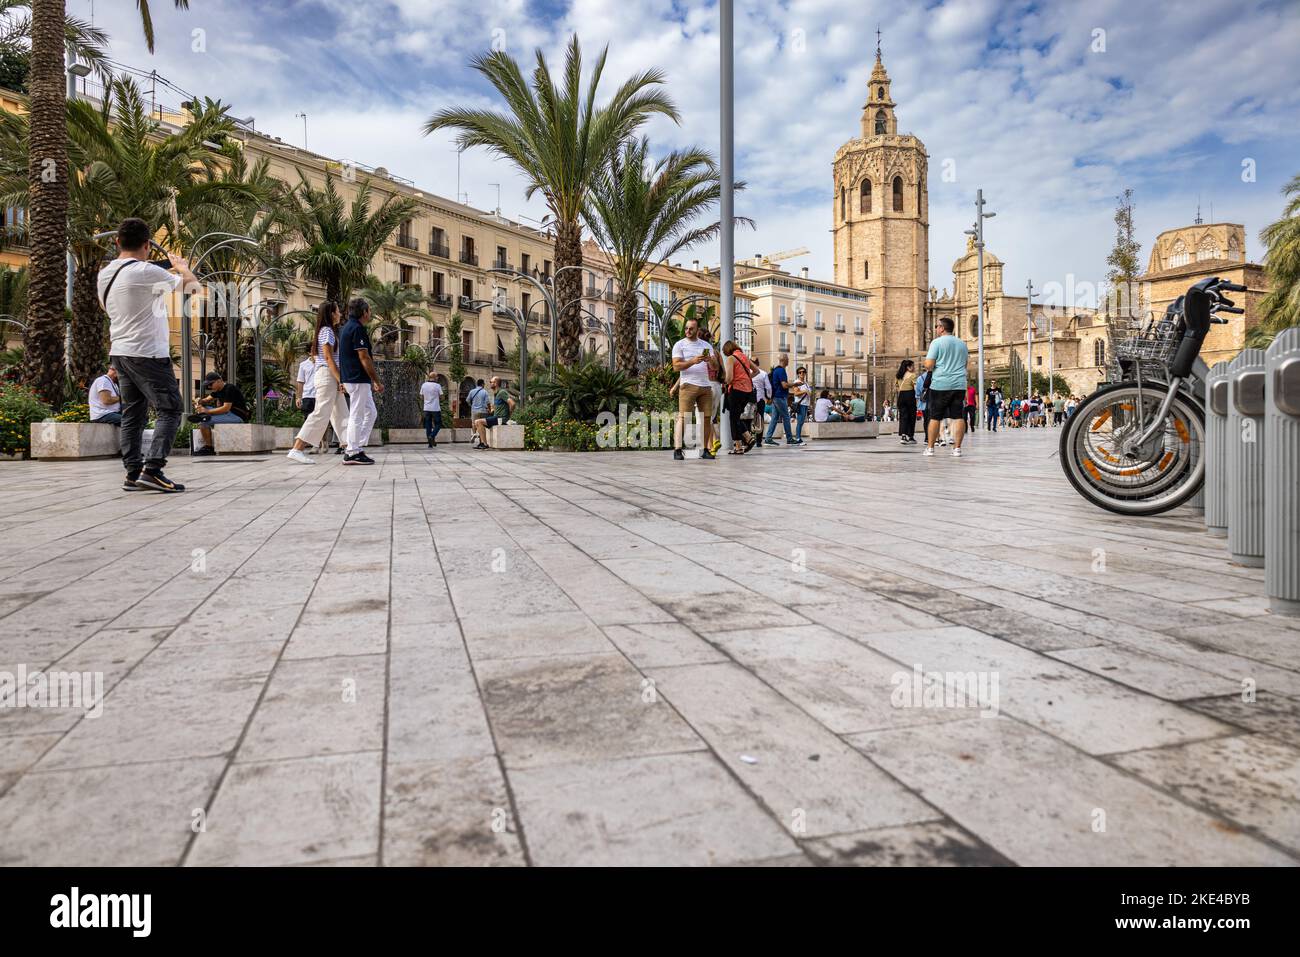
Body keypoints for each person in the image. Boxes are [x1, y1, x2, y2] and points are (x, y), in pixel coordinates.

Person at [98, 217, 196, 492]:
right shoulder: (145, 272)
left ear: (117, 242)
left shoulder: (105, 273)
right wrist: (182, 267)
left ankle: (132, 473)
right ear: (147, 245)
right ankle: (153, 469)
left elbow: (105, 306)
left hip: (120, 351)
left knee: (133, 414)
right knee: (170, 408)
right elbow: (192, 287)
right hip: (148, 353)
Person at [286, 301, 346, 464]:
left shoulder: (327, 331)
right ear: (332, 313)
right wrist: (341, 379)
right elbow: (327, 358)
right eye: (338, 311)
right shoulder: (327, 331)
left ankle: (351, 448)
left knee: (341, 412)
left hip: (329, 375)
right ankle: (297, 449)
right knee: (321, 412)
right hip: (327, 375)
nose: (340, 314)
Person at [337, 297, 384, 464]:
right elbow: (364, 357)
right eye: (369, 310)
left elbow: (343, 356)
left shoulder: (345, 328)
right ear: (364, 312)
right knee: (356, 415)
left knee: (371, 412)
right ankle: (352, 451)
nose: (370, 313)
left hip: (354, 378)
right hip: (357, 378)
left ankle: (356, 445)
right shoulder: (357, 329)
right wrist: (376, 380)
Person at [670, 317, 718, 460]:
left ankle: (705, 449)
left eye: (691, 328)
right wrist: (692, 361)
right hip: (688, 385)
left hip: (705, 386)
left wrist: (711, 360)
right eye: (686, 328)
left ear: (697, 330)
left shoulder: (706, 346)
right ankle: (678, 449)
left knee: (707, 418)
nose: (688, 331)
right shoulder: (680, 345)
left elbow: (715, 368)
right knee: (683, 417)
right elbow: (676, 366)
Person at [923, 316, 969, 457]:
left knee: (935, 417)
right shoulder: (962, 344)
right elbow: (965, 364)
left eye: (937, 326)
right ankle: (957, 449)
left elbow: (929, 365)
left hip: (941, 384)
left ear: (942, 328)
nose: (936, 328)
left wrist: (932, 365)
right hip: (959, 384)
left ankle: (930, 448)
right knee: (958, 416)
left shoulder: (936, 343)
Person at [190, 371, 250, 454]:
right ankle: (202, 415)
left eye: (211, 384)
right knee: (204, 410)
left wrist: (207, 411)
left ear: (219, 381)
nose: (209, 386)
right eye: (208, 385)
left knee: (204, 420)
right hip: (228, 414)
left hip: (237, 416)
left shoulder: (229, 388)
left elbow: (226, 408)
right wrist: (199, 402)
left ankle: (209, 447)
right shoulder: (217, 390)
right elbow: (206, 400)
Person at [721, 340, 759, 455]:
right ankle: (742, 442)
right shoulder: (744, 357)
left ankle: (744, 441)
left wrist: (722, 382)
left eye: (724, 351)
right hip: (747, 392)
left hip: (736, 390)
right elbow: (756, 371)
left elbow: (729, 378)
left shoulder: (731, 359)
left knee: (734, 418)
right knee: (736, 417)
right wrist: (746, 379)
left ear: (727, 349)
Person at [762, 353, 800, 446]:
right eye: (787, 359)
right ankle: (789, 438)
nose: (788, 361)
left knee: (774, 418)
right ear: (784, 360)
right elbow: (784, 385)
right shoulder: (781, 371)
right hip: (779, 397)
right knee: (786, 417)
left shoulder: (776, 370)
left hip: (775, 396)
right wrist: (795, 384)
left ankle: (768, 438)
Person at [472, 375, 514, 449]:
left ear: (496, 383)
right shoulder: (496, 394)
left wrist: (509, 416)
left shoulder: (502, 392)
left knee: (478, 422)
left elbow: (512, 403)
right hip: (496, 417)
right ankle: (482, 443)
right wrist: (492, 409)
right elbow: (499, 406)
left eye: (491, 382)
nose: (490, 383)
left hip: (500, 418)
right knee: (478, 422)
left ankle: (484, 444)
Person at [895, 359, 918, 445]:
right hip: (910, 395)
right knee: (912, 416)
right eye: (912, 366)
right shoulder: (913, 375)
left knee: (903, 416)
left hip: (901, 396)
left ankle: (903, 436)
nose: (914, 367)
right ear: (908, 367)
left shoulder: (898, 375)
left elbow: (896, 387)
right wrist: (917, 397)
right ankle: (911, 437)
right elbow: (915, 387)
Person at [749, 363, 770, 449]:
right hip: (760, 399)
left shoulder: (747, 373)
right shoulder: (763, 373)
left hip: (749, 399)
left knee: (748, 419)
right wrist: (768, 397)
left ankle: (748, 439)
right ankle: (758, 442)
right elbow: (768, 387)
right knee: (760, 420)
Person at [790, 365, 811, 442]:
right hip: (800, 404)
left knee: (802, 422)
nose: (802, 373)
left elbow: (809, 393)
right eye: (800, 372)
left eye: (804, 372)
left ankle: (798, 437)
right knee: (800, 421)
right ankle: (798, 438)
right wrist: (805, 391)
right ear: (798, 374)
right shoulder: (796, 382)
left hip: (805, 404)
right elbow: (796, 393)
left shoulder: (806, 383)